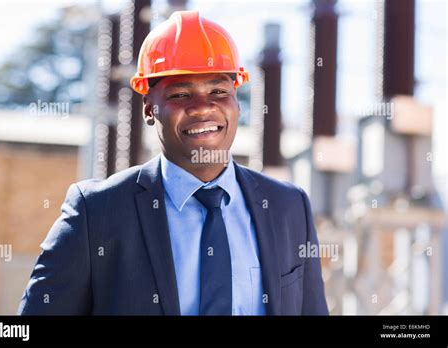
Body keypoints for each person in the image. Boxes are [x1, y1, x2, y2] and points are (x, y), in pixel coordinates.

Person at [18, 10, 328, 316]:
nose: (203, 108)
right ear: (149, 108)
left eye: (218, 91)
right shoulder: (96, 213)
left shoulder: (288, 206)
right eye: (181, 94)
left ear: (237, 102)